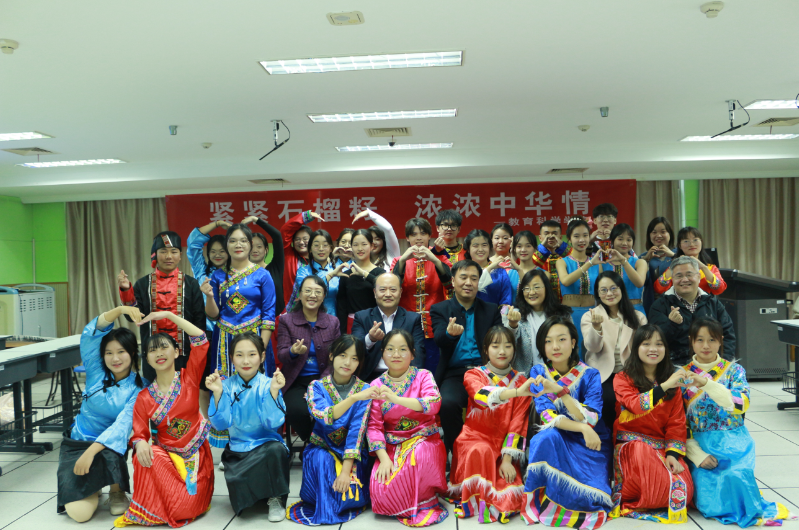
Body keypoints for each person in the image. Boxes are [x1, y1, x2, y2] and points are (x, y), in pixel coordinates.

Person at [681, 319, 796, 526]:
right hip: (699, 443)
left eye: (712, 340)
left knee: (737, 476)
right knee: (709, 502)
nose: (706, 345)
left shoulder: (734, 371)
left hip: (733, 441)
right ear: (691, 341)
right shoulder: (682, 375)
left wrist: (706, 383)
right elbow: (676, 420)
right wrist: (696, 455)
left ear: (720, 341)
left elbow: (741, 404)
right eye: (700, 340)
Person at [115, 312, 213, 528]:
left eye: (164, 347)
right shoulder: (144, 397)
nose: (159, 353)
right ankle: (155, 505)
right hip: (166, 461)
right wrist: (140, 442)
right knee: (145, 454)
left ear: (176, 352)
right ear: (147, 359)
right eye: (152, 350)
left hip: (194, 459)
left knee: (183, 508)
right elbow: (140, 433)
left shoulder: (190, 377)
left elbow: (201, 340)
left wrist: (169, 315)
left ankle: (166, 505)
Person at [522, 316, 614, 528]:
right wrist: (581, 427)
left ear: (573, 342)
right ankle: (544, 502)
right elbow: (547, 417)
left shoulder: (590, 374)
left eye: (561, 339)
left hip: (591, 440)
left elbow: (591, 418)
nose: (555, 346)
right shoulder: (538, 372)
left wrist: (560, 392)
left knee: (592, 499)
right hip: (561, 435)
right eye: (548, 341)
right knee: (544, 438)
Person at [57, 306, 146, 522]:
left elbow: (122, 426)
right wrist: (120, 309)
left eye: (121, 352)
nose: (115, 358)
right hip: (78, 442)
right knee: (79, 515)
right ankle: (94, 486)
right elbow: (91, 334)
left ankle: (117, 490)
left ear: (132, 353)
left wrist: (91, 453)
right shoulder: (95, 370)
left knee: (113, 451)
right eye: (109, 353)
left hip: (109, 447)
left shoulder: (140, 387)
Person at [201, 223, 276, 448]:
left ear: (251, 244)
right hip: (225, 340)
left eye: (243, 240)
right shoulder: (217, 275)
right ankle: (230, 443)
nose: (238, 245)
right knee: (225, 387)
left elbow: (269, 315)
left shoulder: (263, 275)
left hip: (255, 339)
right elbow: (213, 314)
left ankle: (258, 440)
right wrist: (209, 297)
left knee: (256, 388)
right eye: (233, 241)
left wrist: (261, 349)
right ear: (227, 245)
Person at [287, 335, 376, 525]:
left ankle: (333, 501)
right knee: (322, 460)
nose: (347, 362)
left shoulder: (365, 389)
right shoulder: (316, 387)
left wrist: (345, 472)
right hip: (322, 448)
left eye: (354, 358)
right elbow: (325, 416)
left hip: (351, 454)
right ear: (331, 356)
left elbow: (356, 433)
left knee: (347, 487)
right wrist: (353, 398)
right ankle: (325, 507)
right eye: (343, 355)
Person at [448, 326, 533, 523]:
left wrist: (507, 460)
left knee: (510, 498)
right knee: (482, 450)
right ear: (486, 349)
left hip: (504, 449)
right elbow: (482, 396)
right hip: (474, 440)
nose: (502, 351)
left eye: (508, 346)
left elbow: (518, 424)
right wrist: (516, 392)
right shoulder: (473, 375)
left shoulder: (521, 381)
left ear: (514, 349)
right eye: (495, 346)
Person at [611, 324, 694, 523]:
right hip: (632, 446)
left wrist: (673, 454)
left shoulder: (671, 381)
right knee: (642, 454)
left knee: (685, 490)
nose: (653, 349)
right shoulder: (622, 378)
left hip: (661, 447)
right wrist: (665, 386)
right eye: (646, 344)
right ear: (636, 348)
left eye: (659, 344)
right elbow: (635, 405)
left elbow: (676, 423)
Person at [367, 329, 449, 527]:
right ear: (382, 354)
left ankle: (423, 501)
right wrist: (383, 458)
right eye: (390, 349)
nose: (396, 354)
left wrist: (395, 399)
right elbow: (374, 427)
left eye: (403, 349)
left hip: (425, 440)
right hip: (392, 446)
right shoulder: (376, 385)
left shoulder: (423, 376)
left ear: (412, 354)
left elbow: (434, 404)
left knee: (416, 460)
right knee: (380, 490)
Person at [206, 333, 289, 520]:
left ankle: (276, 498)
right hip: (238, 449)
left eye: (252, 354)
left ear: (262, 356)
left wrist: (274, 392)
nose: (246, 361)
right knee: (241, 506)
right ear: (232, 358)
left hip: (266, 444)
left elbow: (273, 423)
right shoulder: (225, 385)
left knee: (276, 450)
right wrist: (217, 393)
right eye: (239, 355)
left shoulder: (269, 384)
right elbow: (220, 424)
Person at [430, 260, 502, 454]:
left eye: (474, 278)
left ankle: (492, 451)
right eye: (463, 277)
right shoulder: (440, 309)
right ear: (453, 281)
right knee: (447, 403)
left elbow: (500, 340)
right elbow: (439, 339)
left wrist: (511, 326)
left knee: (498, 400)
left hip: (485, 373)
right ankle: (457, 452)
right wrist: (449, 334)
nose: (468, 282)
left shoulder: (490, 309)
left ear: (479, 282)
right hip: (455, 374)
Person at [117, 231, 205, 382]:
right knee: (153, 392)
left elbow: (199, 321)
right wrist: (126, 291)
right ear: (155, 255)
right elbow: (132, 318)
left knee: (185, 392)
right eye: (163, 251)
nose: (168, 256)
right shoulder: (143, 284)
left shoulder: (191, 284)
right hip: (153, 356)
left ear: (180, 255)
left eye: (174, 251)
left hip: (184, 355)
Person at [277, 276, 341, 443]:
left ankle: (316, 447)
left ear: (324, 296)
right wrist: (292, 351)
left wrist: (319, 386)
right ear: (299, 294)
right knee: (296, 411)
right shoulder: (286, 320)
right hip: (295, 381)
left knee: (332, 411)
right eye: (308, 291)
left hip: (324, 380)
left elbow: (336, 359)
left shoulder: (332, 322)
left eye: (318, 292)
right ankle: (315, 443)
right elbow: (281, 354)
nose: (312, 295)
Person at [582, 271, 646, 432]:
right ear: (597, 293)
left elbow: (644, 349)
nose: (609, 294)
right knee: (608, 399)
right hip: (603, 374)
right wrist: (596, 328)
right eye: (603, 290)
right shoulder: (590, 316)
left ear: (621, 289)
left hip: (631, 372)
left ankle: (633, 438)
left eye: (613, 288)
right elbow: (593, 348)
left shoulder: (638, 317)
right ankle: (611, 439)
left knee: (641, 398)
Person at [648, 256, 736, 366]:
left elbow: (728, 337)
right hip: (674, 367)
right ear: (672, 279)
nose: (685, 280)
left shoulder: (713, 304)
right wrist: (671, 324)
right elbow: (655, 341)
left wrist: (722, 365)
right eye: (679, 276)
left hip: (711, 365)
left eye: (689, 275)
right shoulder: (660, 305)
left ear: (698, 277)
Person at [392, 218, 453, 374]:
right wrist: (403, 260)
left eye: (423, 233)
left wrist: (433, 258)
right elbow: (392, 289)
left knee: (434, 371)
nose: (418, 238)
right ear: (407, 238)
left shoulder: (440, 258)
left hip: (435, 326)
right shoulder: (398, 261)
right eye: (413, 234)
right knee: (409, 371)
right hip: (407, 326)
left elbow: (450, 284)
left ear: (429, 236)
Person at [351, 272, 426, 381]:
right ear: (375, 292)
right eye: (382, 290)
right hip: (370, 378)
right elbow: (354, 350)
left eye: (393, 290)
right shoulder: (362, 317)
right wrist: (370, 339)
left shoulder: (413, 319)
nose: (388, 294)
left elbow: (418, 353)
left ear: (400, 292)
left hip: (403, 377)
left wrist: (411, 380)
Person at [556, 219, 611, 358]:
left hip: (592, 314)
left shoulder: (597, 263)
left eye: (585, 235)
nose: (581, 240)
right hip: (569, 315)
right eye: (576, 236)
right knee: (571, 353)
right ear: (569, 239)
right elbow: (566, 281)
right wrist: (589, 263)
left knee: (592, 354)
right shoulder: (562, 262)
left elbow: (601, 290)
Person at [503, 269, 573, 374]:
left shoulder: (562, 315)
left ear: (546, 288)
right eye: (526, 288)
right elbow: (508, 343)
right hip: (526, 377)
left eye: (536, 287)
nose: (531, 292)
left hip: (559, 374)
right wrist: (512, 325)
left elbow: (571, 344)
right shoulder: (515, 314)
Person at [186, 220, 230, 334]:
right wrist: (217, 224)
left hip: (232, 331)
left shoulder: (238, 274)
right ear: (208, 254)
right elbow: (193, 243)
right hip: (206, 331)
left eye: (222, 251)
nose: (217, 255)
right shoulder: (201, 272)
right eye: (213, 251)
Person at [655, 227, 726, 296]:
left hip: (704, 303)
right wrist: (674, 266)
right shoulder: (675, 268)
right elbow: (659, 289)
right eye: (686, 241)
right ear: (680, 245)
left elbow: (720, 289)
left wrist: (704, 267)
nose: (691, 244)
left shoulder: (710, 268)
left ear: (701, 242)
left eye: (695, 240)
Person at [336, 229, 383, 334]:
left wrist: (364, 274)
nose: (360, 248)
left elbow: (383, 289)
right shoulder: (346, 275)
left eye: (364, 244)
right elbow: (342, 308)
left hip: (376, 323)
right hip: (352, 324)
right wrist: (343, 334)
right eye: (356, 245)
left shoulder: (380, 273)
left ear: (371, 246)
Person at [285, 229, 341, 316]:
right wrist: (331, 275)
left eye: (325, 245)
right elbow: (309, 292)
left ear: (331, 248)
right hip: (309, 319)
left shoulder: (339, 269)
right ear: (310, 249)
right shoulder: (303, 271)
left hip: (335, 318)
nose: (321, 249)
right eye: (316, 245)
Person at [243, 215, 286, 315]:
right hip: (252, 321)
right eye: (251, 247)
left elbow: (277, 235)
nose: (255, 250)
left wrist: (255, 219)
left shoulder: (276, 267)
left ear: (266, 250)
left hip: (277, 321)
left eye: (259, 246)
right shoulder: (242, 273)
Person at [281, 210, 324, 308]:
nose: (301, 242)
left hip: (316, 307)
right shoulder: (289, 255)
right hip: (291, 308)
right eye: (297, 239)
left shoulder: (320, 259)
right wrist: (306, 216)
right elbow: (285, 231)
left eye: (305, 239)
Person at [464, 229, 513, 307]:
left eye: (484, 245)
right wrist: (489, 268)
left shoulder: (500, 272)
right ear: (468, 249)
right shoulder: (463, 270)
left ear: (490, 247)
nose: (480, 249)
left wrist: (501, 313)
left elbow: (506, 301)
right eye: (475, 245)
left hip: (496, 314)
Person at [607, 224, 648, 315]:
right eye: (620, 239)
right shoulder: (604, 264)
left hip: (635, 311)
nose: (624, 243)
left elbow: (639, 283)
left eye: (629, 240)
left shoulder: (640, 262)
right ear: (612, 241)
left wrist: (623, 261)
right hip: (611, 312)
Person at [640, 217, 676, 314]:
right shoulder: (643, 257)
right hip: (652, 304)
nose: (658, 235)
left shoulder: (679, 254)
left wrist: (673, 256)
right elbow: (640, 283)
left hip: (676, 304)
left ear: (670, 234)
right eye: (654, 232)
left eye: (663, 232)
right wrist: (645, 261)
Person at [531, 220, 570, 300]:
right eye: (546, 234)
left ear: (560, 237)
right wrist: (542, 248)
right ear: (540, 238)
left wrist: (562, 246)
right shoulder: (533, 256)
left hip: (566, 301)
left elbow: (576, 260)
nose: (551, 237)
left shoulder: (567, 257)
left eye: (554, 234)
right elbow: (531, 265)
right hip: (542, 302)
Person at [353, 208, 401, 272]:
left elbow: (388, 229)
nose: (373, 242)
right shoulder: (361, 260)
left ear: (383, 241)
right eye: (370, 239)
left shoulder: (391, 255)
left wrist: (369, 213)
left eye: (377, 239)